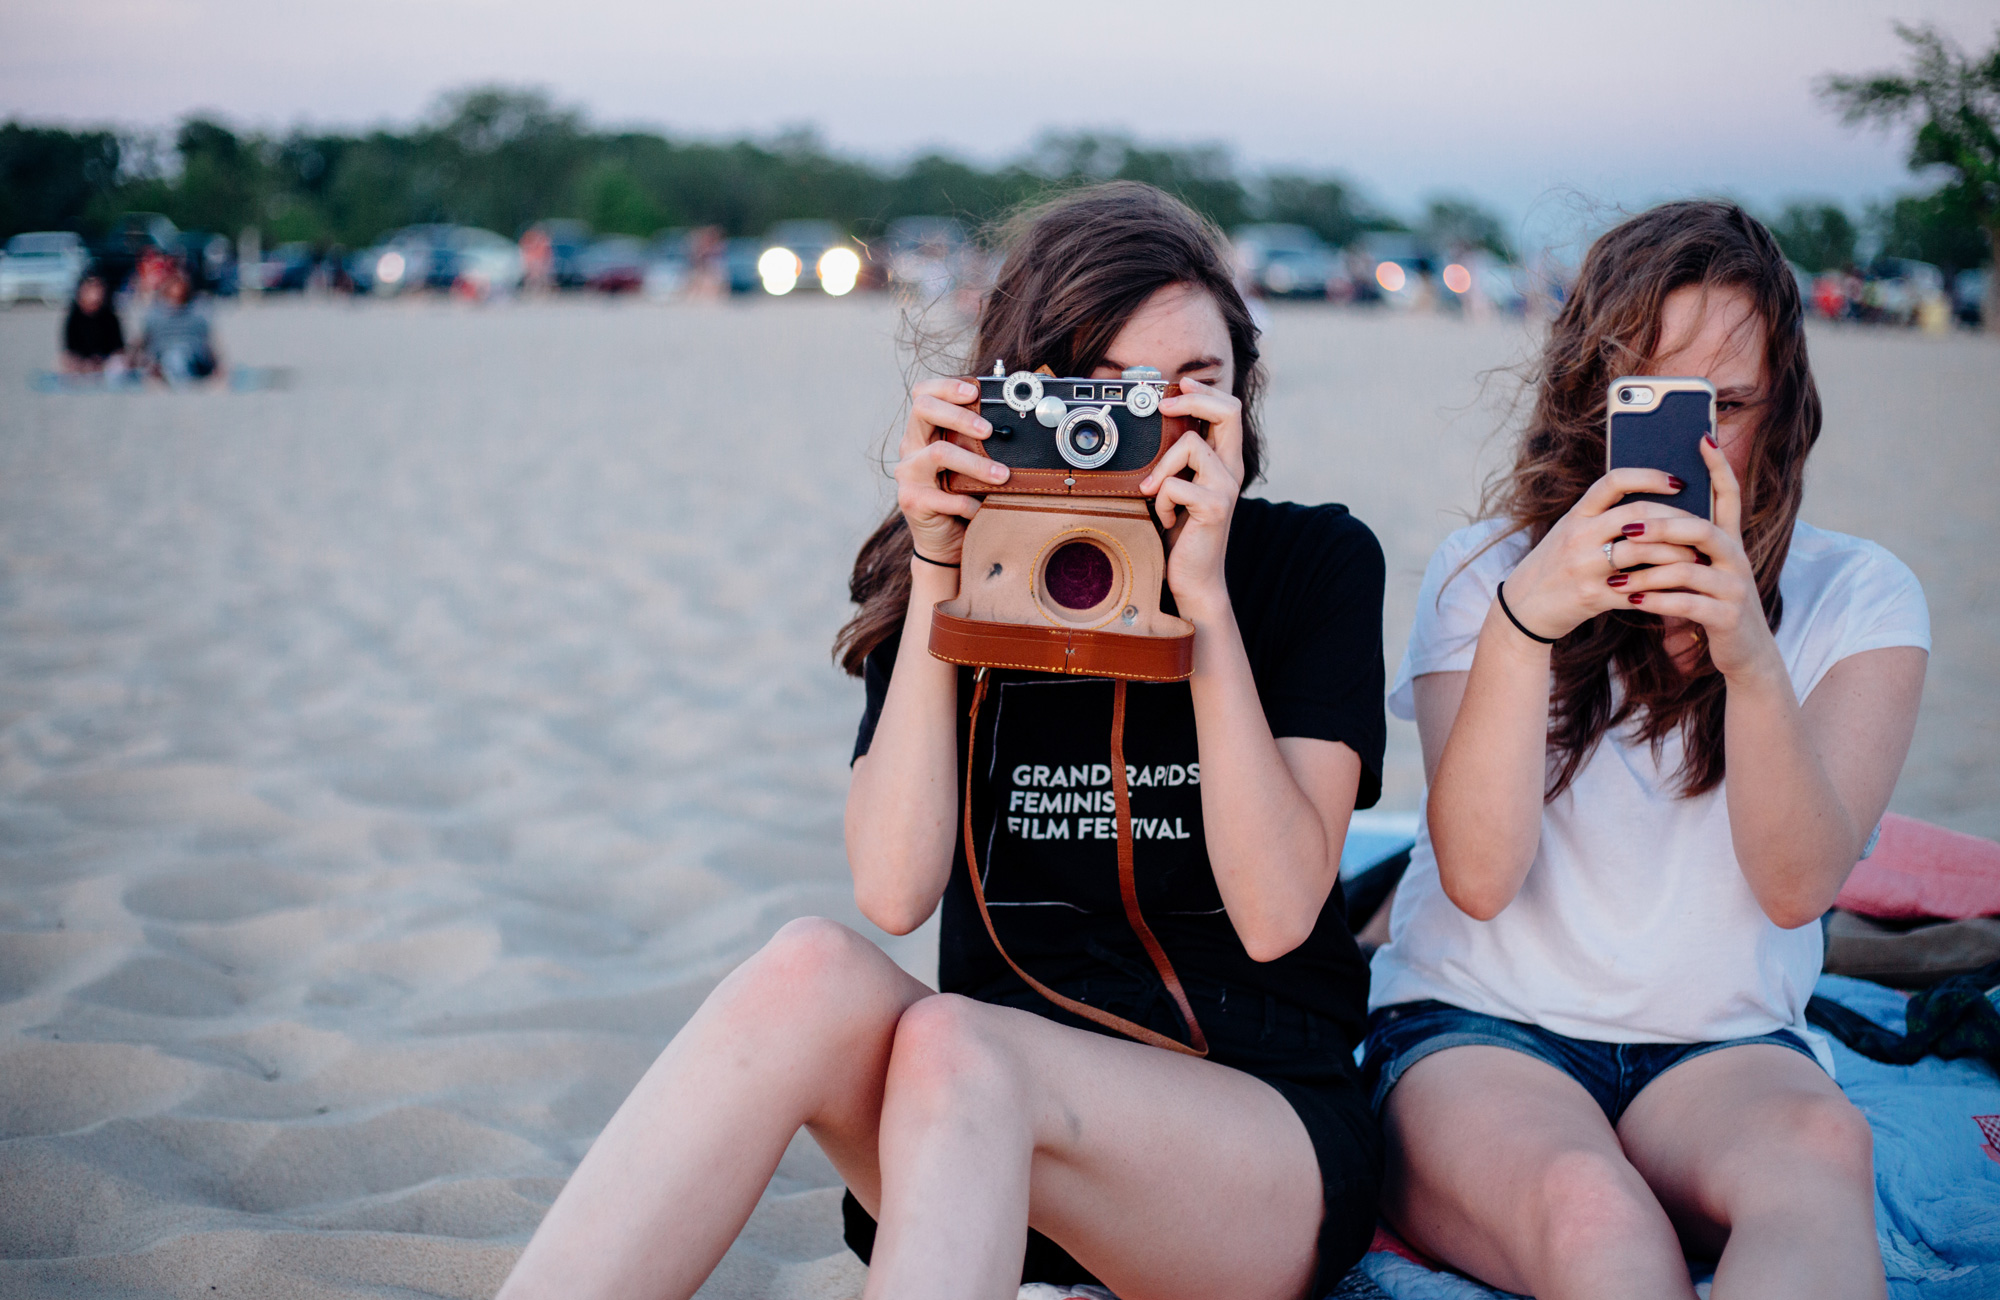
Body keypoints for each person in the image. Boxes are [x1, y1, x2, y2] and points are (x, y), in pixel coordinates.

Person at [497, 182, 1388, 1300]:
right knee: (807, 971)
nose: (1152, 427)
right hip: (971, 1136)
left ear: (1242, 394)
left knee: (962, 1044)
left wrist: (1201, 600)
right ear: (1019, 396)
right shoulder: (958, 570)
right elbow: (892, 887)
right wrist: (935, 570)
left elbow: (1275, 912)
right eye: (1106, 393)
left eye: (1193, 386)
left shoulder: (1309, 564)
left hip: (1244, 1152)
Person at [1365, 200, 1927, 1300]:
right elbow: (1477, 878)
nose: (1691, 447)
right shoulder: (1487, 571)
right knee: (1590, 1210)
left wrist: (1748, 659)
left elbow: (1796, 888)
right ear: (1589, 402)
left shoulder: (1860, 597)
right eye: (1652, 404)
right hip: (1480, 1028)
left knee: (1821, 1157)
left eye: (1726, 406)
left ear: (1784, 413)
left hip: (1723, 1050)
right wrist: (1523, 628)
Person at [134, 268, 221, 383]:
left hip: (192, 358)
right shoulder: (155, 314)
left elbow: (208, 342)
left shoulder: (197, 312)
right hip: (161, 357)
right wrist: (136, 358)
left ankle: (177, 378)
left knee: (177, 358)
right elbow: (144, 339)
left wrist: (218, 366)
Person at [61, 270, 125, 373]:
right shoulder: (74, 317)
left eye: (98, 288)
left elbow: (118, 349)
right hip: (81, 364)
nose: (95, 294)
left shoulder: (109, 317)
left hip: (106, 364)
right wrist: (84, 363)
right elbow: (70, 350)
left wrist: (101, 360)